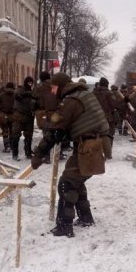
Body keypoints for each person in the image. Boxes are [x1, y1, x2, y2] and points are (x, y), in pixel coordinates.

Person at [30, 73, 110, 237]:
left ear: (59, 86)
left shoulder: (71, 101)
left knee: (66, 183)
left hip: (89, 147)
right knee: (76, 181)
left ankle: (64, 226)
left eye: (53, 88)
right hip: (93, 145)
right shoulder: (83, 94)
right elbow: (75, 124)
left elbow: (55, 131)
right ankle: (86, 218)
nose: (52, 92)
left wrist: (39, 154)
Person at [93, 77, 121, 157]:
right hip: (108, 117)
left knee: (97, 135)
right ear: (106, 84)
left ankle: (98, 151)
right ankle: (107, 153)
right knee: (109, 134)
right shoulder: (109, 93)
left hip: (95, 118)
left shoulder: (93, 93)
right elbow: (114, 104)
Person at [11, 76, 36, 161]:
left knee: (29, 136)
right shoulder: (20, 89)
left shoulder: (32, 92)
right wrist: (26, 94)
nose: (30, 84)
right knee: (16, 135)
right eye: (29, 82)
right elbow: (16, 95)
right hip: (19, 116)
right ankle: (15, 154)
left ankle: (28, 152)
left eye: (31, 82)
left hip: (29, 117)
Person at [0, 82, 15, 153]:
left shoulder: (2, 95)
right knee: (12, 131)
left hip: (3, 115)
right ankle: (12, 146)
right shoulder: (15, 95)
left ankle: (7, 146)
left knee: (5, 131)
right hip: (13, 115)